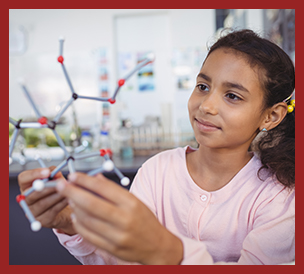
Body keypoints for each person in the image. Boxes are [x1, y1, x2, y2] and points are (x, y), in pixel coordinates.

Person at [17, 29, 295, 265]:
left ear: (271, 116)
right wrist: (70, 224)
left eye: (232, 96)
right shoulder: (157, 171)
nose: (207, 105)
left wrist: (169, 252)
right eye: (202, 86)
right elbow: (119, 261)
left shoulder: (279, 197)